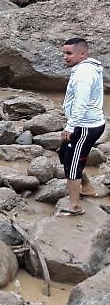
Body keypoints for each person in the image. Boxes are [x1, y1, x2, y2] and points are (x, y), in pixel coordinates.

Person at [57, 38, 105, 217]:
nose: (65, 57)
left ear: (82, 54)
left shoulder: (83, 75)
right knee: (64, 153)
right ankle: (87, 187)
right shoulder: (85, 68)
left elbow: (81, 103)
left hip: (85, 126)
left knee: (72, 164)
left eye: (69, 53)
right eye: (64, 53)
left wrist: (70, 127)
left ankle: (74, 206)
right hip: (84, 123)